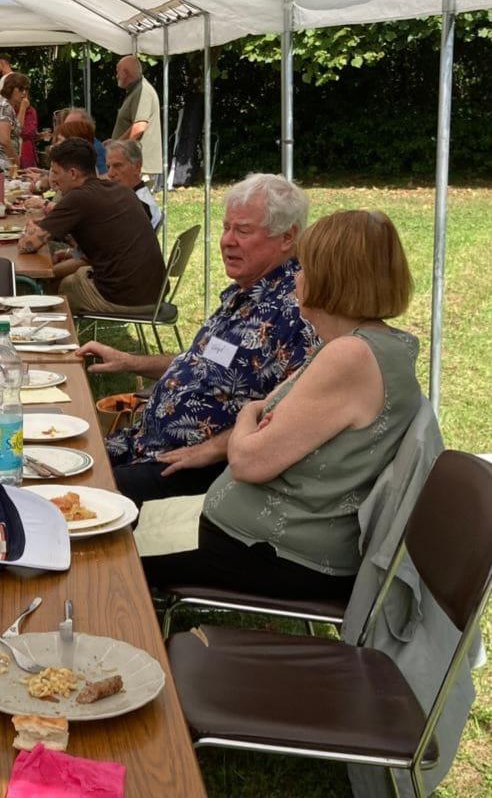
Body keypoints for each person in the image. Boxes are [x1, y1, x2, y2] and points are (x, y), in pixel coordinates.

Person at [142, 210, 419, 603]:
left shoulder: (351, 356)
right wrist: (255, 418)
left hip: (282, 553)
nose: (295, 279)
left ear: (330, 277)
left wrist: (246, 416)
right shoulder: (370, 344)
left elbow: (248, 461)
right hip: (260, 535)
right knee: (119, 520)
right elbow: (266, 417)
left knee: (111, 546)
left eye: (304, 267)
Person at [77, 173, 317, 505]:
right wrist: (130, 361)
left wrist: (212, 449)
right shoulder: (243, 293)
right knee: (63, 462)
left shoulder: (295, 314)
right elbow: (204, 363)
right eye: (225, 228)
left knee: (77, 499)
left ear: (287, 237)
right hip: (144, 444)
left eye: (243, 231)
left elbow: (292, 418)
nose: (227, 241)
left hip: (195, 472)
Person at [19, 138, 164, 315]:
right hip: (153, 293)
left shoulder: (77, 198)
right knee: (68, 276)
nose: (54, 181)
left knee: (56, 286)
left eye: (56, 173)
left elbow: (27, 245)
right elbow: (103, 245)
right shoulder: (120, 190)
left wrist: (29, 231)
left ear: (73, 173)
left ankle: (46, 330)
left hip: (123, 298)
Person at [110, 55, 162, 184]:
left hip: (138, 166)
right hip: (134, 163)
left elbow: (139, 127)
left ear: (126, 73)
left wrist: (116, 147)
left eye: (118, 72)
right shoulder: (136, 90)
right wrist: (113, 141)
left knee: (137, 203)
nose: (116, 76)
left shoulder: (142, 91)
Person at [105, 139, 161, 230]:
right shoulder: (132, 198)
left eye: (117, 166)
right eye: (108, 167)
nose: (110, 174)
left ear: (137, 167)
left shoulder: (139, 205)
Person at [0, 71, 31, 172]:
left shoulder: (1, 104)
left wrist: (23, 108)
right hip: (0, 161)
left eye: (26, 89)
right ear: (10, 89)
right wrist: (16, 161)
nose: (24, 93)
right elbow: (4, 140)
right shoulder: (6, 108)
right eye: (21, 89)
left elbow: (17, 129)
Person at [19, 95, 39, 170]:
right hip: (17, 149)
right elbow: (18, 131)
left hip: (29, 150)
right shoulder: (10, 110)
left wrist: (38, 135)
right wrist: (22, 108)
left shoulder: (31, 111)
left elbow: (31, 132)